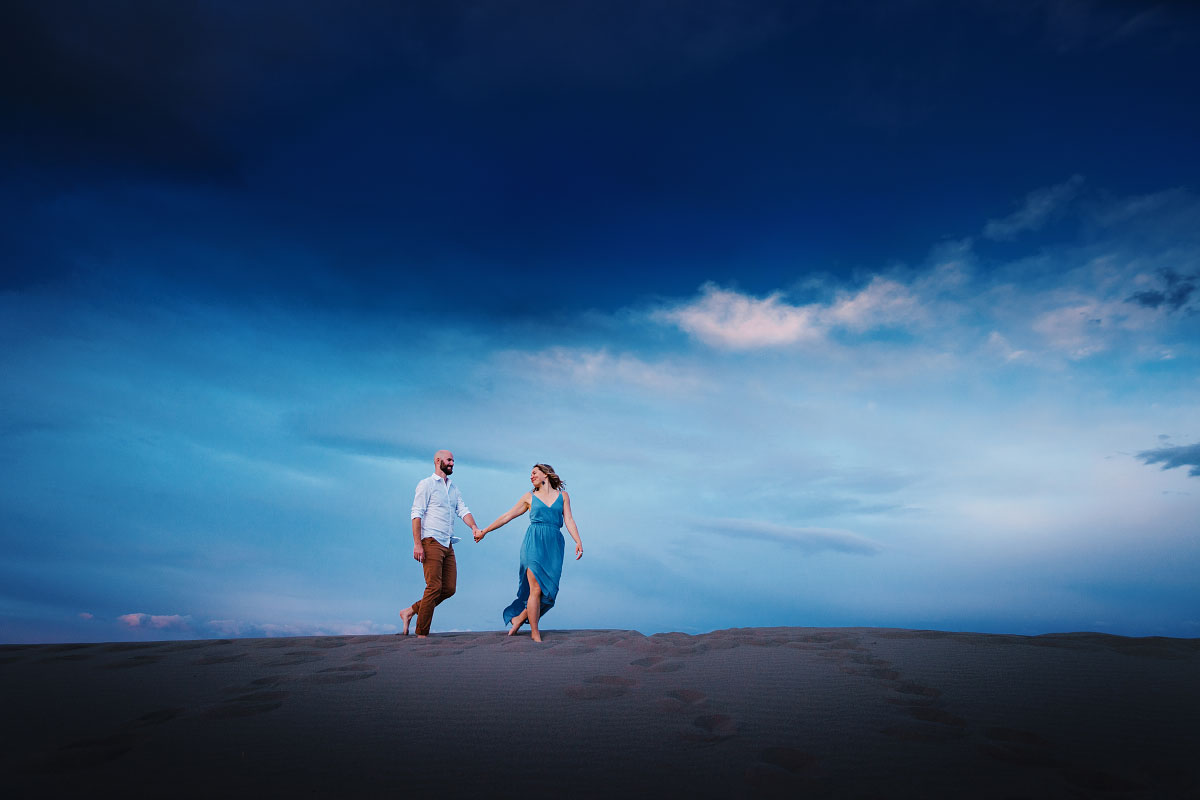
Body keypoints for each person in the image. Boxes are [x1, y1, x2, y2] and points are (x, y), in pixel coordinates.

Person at [475, 463, 582, 642]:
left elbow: (569, 520)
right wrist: (485, 531)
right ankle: (535, 633)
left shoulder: (563, 496)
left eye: (534, 473)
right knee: (536, 588)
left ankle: (519, 618)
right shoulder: (529, 497)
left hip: (554, 544)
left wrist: (578, 541)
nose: (531, 476)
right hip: (533, 543)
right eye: (530, 474)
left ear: (545, 475)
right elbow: (507, 516)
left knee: (548, 592)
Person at [399, 450, 482, 637]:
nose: (452, 463)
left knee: (449, 588)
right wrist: (417, 544)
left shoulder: (453, 488)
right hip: (430, 541)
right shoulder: (426, 484)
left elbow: (463, 510)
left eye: (453, 460)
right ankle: (421, 635)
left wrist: (474, 527)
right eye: (449, 459)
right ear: (438, 461)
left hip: (447, 543)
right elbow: (416, 514)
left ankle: (410, 611)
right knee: (433, 587)